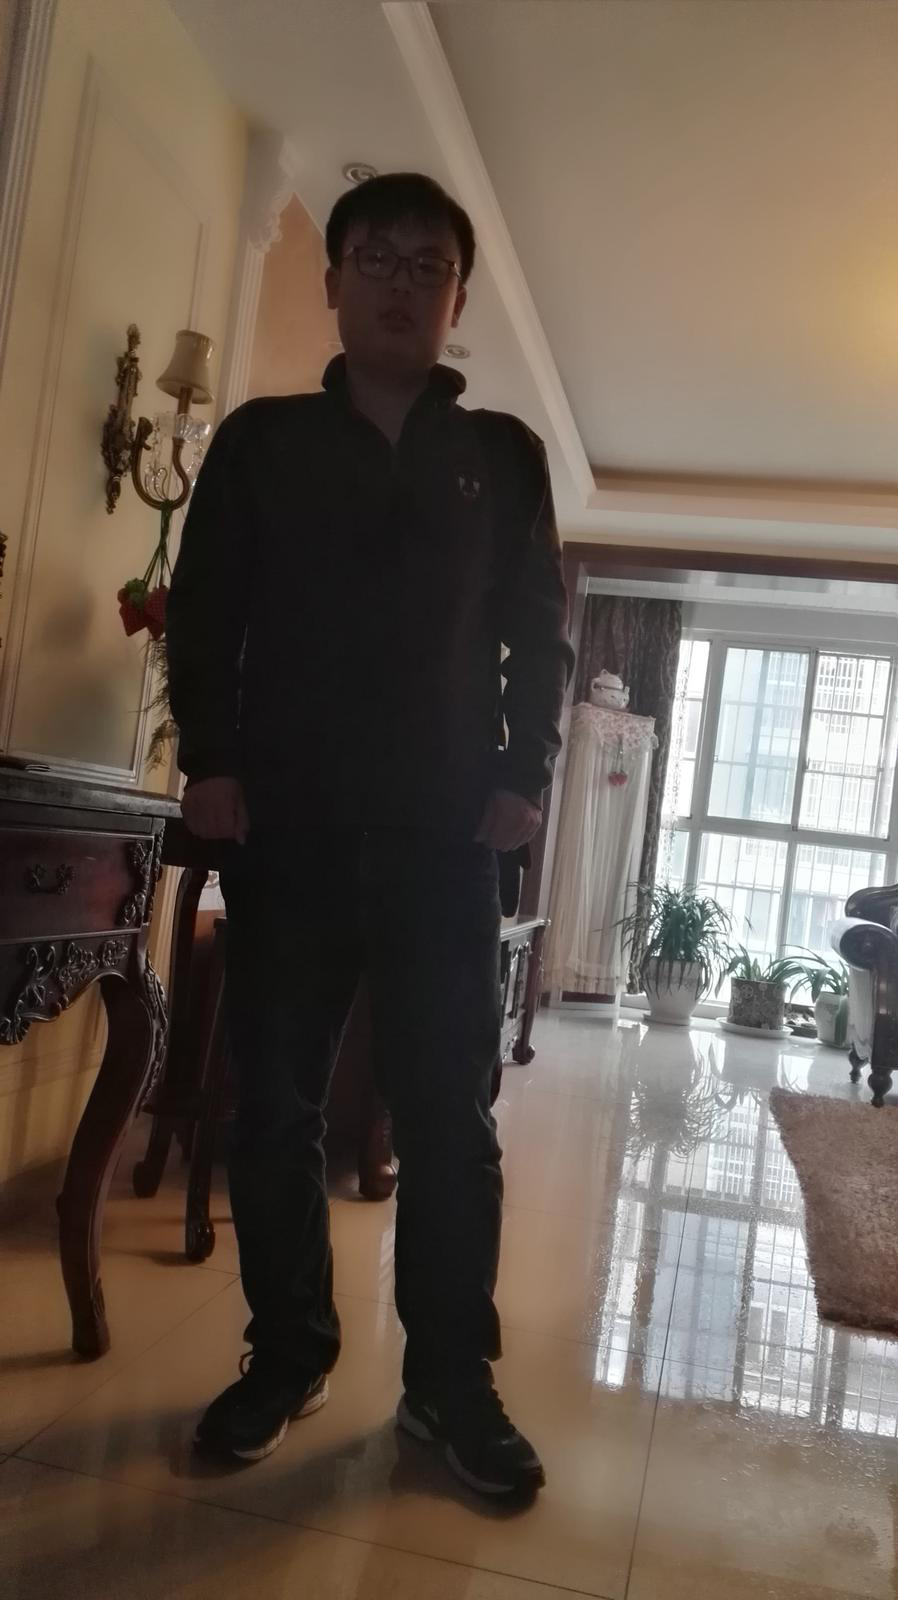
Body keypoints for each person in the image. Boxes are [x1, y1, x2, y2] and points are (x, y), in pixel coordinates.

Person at [165, 172, 574, 1499]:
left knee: (450, 1120)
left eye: (427, 266)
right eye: (377, 259)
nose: (401, 284)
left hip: (443, 837)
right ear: (333, 280)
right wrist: (212, 762)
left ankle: (451, 1386)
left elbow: (537, 634)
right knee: (273, 1108)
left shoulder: (502, 456)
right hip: (286, 828)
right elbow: (205, 609)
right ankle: (287, 1353)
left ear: (458, 299)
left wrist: (523, 774)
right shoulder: (262, 442)